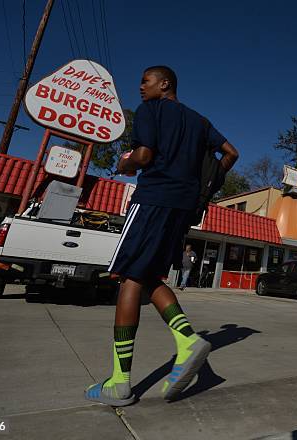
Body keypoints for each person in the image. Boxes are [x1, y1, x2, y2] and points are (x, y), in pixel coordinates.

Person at [84, 65, 239, 406]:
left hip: (153, 198)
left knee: (127, 278)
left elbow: (143, 156)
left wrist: (125, 164)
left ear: (164, 84)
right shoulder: (200, 121)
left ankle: (120, 383)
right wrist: (207, 186)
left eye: (145, 81)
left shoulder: (149, 110)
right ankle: (187, 341)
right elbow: (231, 153)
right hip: (183, 207)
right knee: (149, 275)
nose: (140, 87)